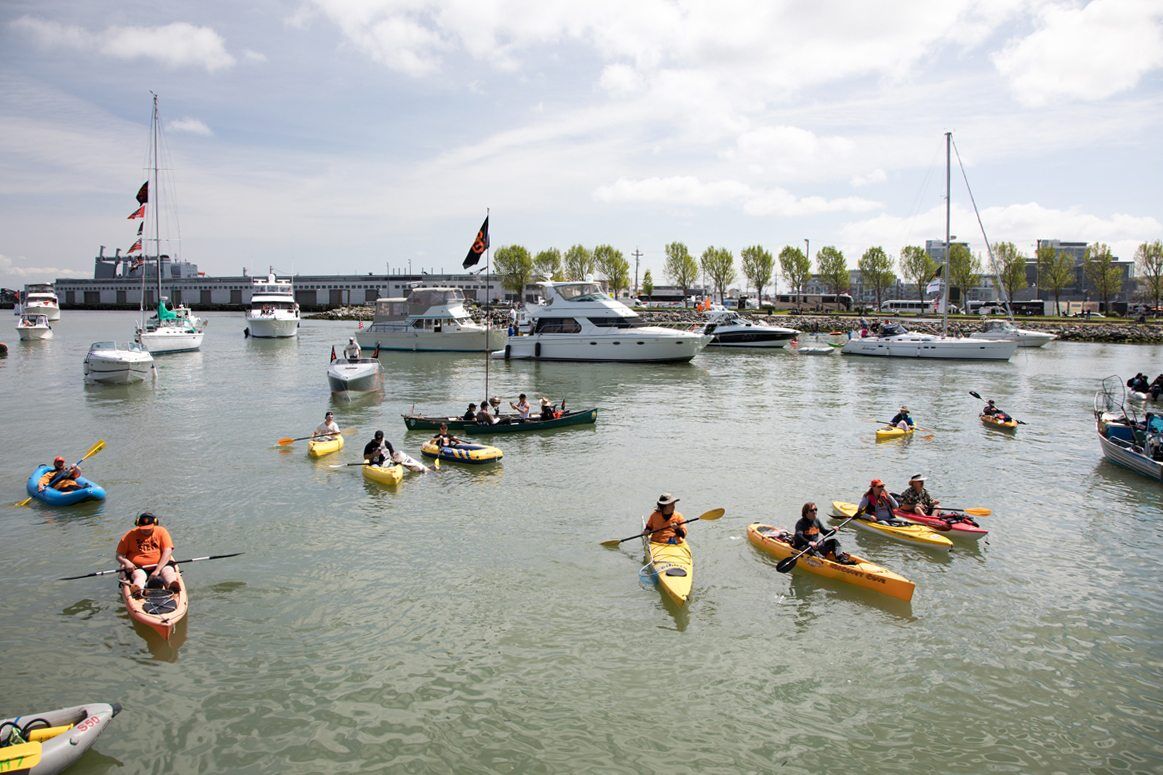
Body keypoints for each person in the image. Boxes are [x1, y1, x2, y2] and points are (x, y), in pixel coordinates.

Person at [116, 512, 178, 598]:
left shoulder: (162, 531)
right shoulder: (129, 536)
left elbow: (168, 551)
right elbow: (119, 555)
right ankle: (138, 590)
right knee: (139, 575)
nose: (146, 530)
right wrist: (126, 562)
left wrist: (157, 570)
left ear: (155, 524)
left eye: (149, 528)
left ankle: (173, 586)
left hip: (160, 565)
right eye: (143, 528)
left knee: (168, 572)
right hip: (138, 567)